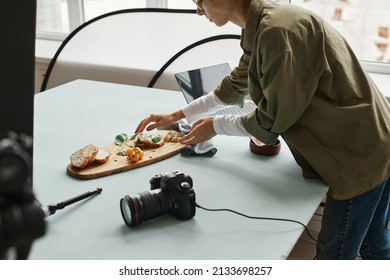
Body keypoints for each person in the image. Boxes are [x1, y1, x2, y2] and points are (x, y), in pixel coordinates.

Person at [135, 0, 390, 259]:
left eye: (199, 1)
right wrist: (180, 114)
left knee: (334, 255)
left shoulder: (276, 32)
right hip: (375, 139)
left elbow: (271, 120)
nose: (198, 10)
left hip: (358, 156)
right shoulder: (265, 24)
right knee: (375, 242)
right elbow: (236, 83)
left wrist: (215, 126)